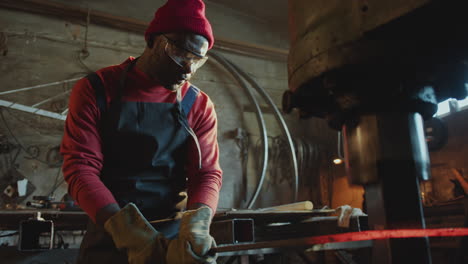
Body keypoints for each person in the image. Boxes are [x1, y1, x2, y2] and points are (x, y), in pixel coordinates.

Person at [60, 0, 222, 263]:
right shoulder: (97, 90)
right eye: (180, 53)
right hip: (111, 233)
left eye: (197, 60)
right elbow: (81, 169)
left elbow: (206, 174)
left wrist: (198, 225)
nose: (188, 69)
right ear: (152, 41)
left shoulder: (199, 104)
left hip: (173, 238)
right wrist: (132, 235)